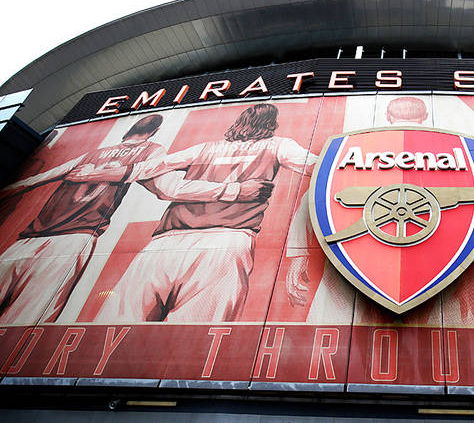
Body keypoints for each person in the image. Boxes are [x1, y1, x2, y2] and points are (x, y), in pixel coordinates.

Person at [70, 103, 317, 322]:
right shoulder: (279, 145)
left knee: (120, 321)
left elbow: (148, 168)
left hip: (167, 242)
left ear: (239, 122)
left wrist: (95, 173)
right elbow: (318, 166)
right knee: (194, 334)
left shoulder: (205, 149)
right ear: (271, 124)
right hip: (228, 240)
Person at [0, 116, 170, 324]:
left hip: (27, 240)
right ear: (154, 131)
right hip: (72, 239)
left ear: (127, 131)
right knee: (23, 323)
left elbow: (33, 181)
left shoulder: (92, 154)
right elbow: (162, 186)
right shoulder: (152, 150)